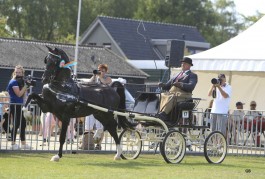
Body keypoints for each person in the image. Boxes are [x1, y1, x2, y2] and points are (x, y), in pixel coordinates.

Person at [157, 57, 198, 121]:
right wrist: (162, 85)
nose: (182, 65)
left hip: (184, 95)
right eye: (182, 63)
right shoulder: (176, 75)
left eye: (184, 63)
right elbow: (167, 86)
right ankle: (158, 111)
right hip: (173, 93)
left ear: (189, 65)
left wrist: (181, 84)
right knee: (161, 95)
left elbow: (191, 86)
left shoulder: (192, 75)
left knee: (172, 97)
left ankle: (164, 114)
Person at [85, 64, 112, 150]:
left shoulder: (108, 78)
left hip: (102, 105)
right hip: (92, 104)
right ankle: (88, 143)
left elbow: (105, 83)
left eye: (103, 71)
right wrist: (94, 76)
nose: (101, 72)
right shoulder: (95, 78)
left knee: (100, 127)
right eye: (99, 70)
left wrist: (100, 77)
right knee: (88, 126)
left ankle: (99, 145)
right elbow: (88, 83)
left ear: (106, 71)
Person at [6, 65, 31, 150]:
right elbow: (19, 94)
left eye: (19, 72)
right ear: (14, 72)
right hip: (15, 105)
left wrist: (26, 85)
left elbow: (24, 94)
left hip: (21, 105)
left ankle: (23, 144)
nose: (18, 74)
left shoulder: (20, 82)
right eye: (16, 72)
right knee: (16, 124)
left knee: (23, 125)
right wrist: (26, 86)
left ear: (22, 73)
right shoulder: (13, 82)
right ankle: (13, 144)